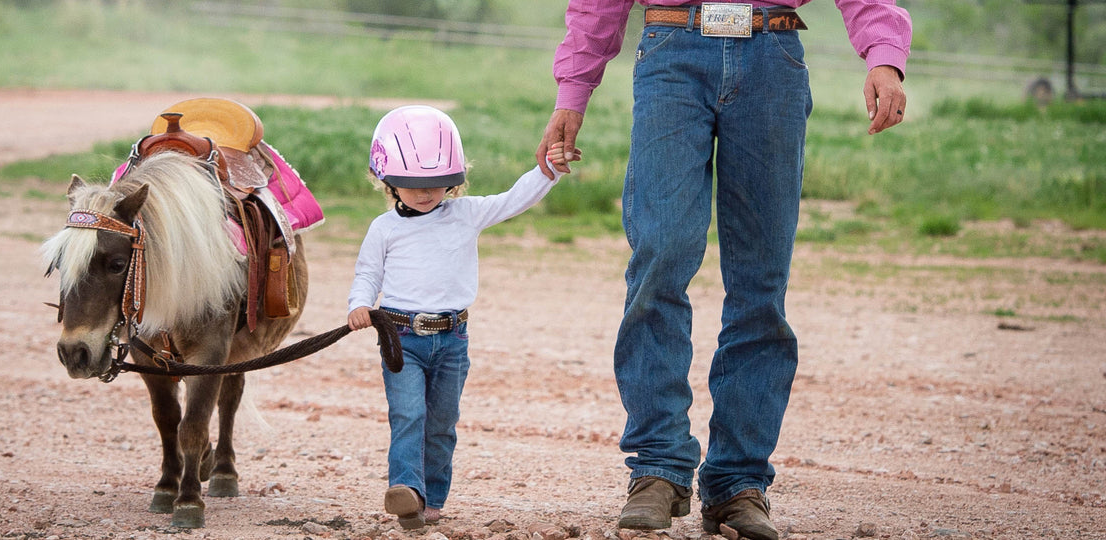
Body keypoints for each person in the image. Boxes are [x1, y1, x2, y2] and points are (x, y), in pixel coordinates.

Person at [535, 1, 910, 539]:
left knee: (761, 280)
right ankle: (658, 468)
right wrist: (573, 89)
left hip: (773, 51)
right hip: (672, 49)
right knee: (659, 255)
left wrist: (884, 54)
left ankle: (738, 481)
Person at [348, 105, 575, 530]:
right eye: (412, 184)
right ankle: (406, 491)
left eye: (437, 182)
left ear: (454, 180)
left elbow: (514, 199)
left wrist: (550, 170)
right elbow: (367, 274)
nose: (425, 192)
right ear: (386, 179)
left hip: (453, 340)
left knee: (441, 424)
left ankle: (431, 498)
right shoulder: (383, 229)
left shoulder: (466, 214)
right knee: (408, 415)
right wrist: (358, 304)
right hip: (401, 339)